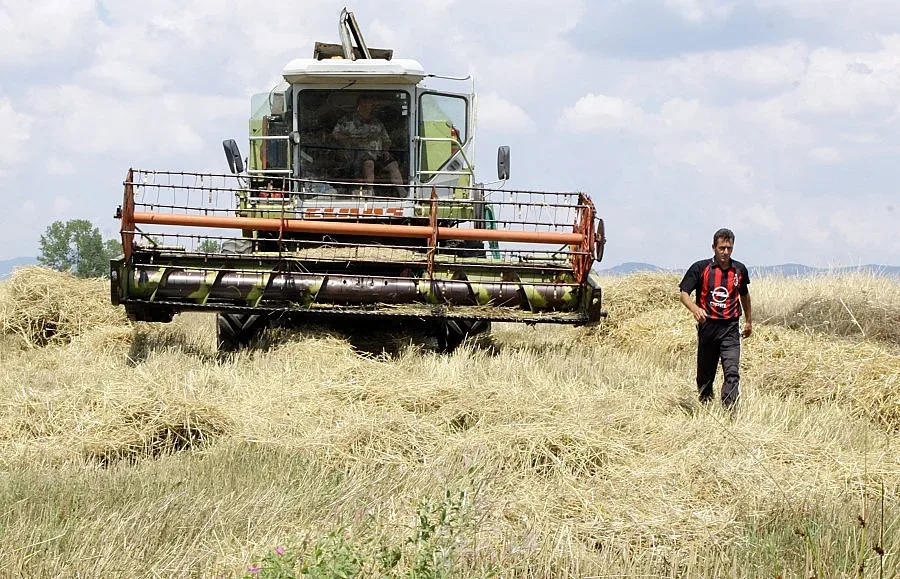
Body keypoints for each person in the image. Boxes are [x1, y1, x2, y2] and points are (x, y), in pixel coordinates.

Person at [679, 228, 752, 409]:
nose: (725, 252)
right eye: (722, 248)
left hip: (730, 328)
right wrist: (695, 309)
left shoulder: (739, 270)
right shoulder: (701, 268)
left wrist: (749, 320)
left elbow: (745, 295)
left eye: (729, 248)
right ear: (713, 247)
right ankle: (706, 404)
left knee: (732, 372)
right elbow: (684, 294)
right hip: (708, 328)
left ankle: (729, 412)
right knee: (705, 375)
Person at [331, 95, 405, 196]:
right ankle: (371, 192)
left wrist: (385, 150)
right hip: (355, 156)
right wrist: (351, 140)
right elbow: (335, 134)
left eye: (370, 105)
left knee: (393, 165)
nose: (367, 106)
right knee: (369, 164)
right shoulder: (347, 120)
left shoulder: (376, 122)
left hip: (378, 154)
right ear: (358, 105)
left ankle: (402, 193)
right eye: (364, 104)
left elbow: (386, 140)